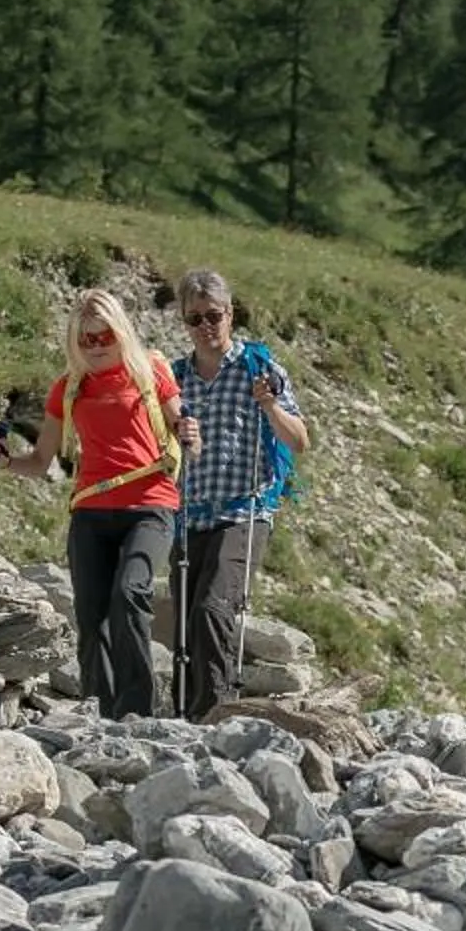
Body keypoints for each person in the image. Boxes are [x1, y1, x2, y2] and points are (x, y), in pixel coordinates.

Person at [0, 288, 195, 720]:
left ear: (121, 333)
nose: (98, 346)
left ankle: (136, 711)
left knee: (130, 592)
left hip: (151, 503)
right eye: (87, 339)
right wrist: (4, 462)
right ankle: (97, 711)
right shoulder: (68, 388)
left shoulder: (151, 371)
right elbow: (41, 461)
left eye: (105, 337)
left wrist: (192, 436)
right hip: (90, 509)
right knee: (91, 612)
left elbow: (186, 429)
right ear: (74, 341)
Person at [167, 268, 309, 720]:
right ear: (184, 323)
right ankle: (184, 717)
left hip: (245, 509)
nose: (206, 327)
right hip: (189, 514)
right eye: (195, 319)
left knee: (213, 608)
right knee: (186, 622)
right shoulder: (174, 378)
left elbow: (299, 440)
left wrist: (268, 404)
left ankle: (216, 716)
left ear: (230, 314)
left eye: (214, 316)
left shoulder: (259, 368)